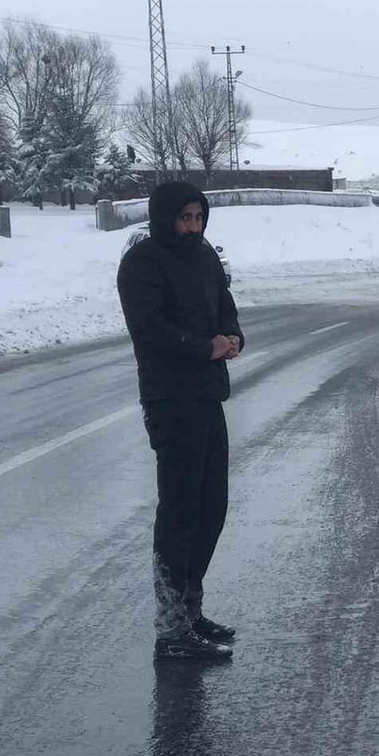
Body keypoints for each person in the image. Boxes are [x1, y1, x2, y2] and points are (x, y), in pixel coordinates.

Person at [117, 182, 245, 661]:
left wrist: (232, 335)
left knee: (212, 507)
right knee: (180, 511)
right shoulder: (142, 262)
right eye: (184, 218)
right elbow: (148, 330)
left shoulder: (206, 256)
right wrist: (202, 349)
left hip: (208, 395)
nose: (193, 226)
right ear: (164, 217)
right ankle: (171, 630)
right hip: (170, 400)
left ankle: (190, 610)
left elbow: (223, 305)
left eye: (198, 217)